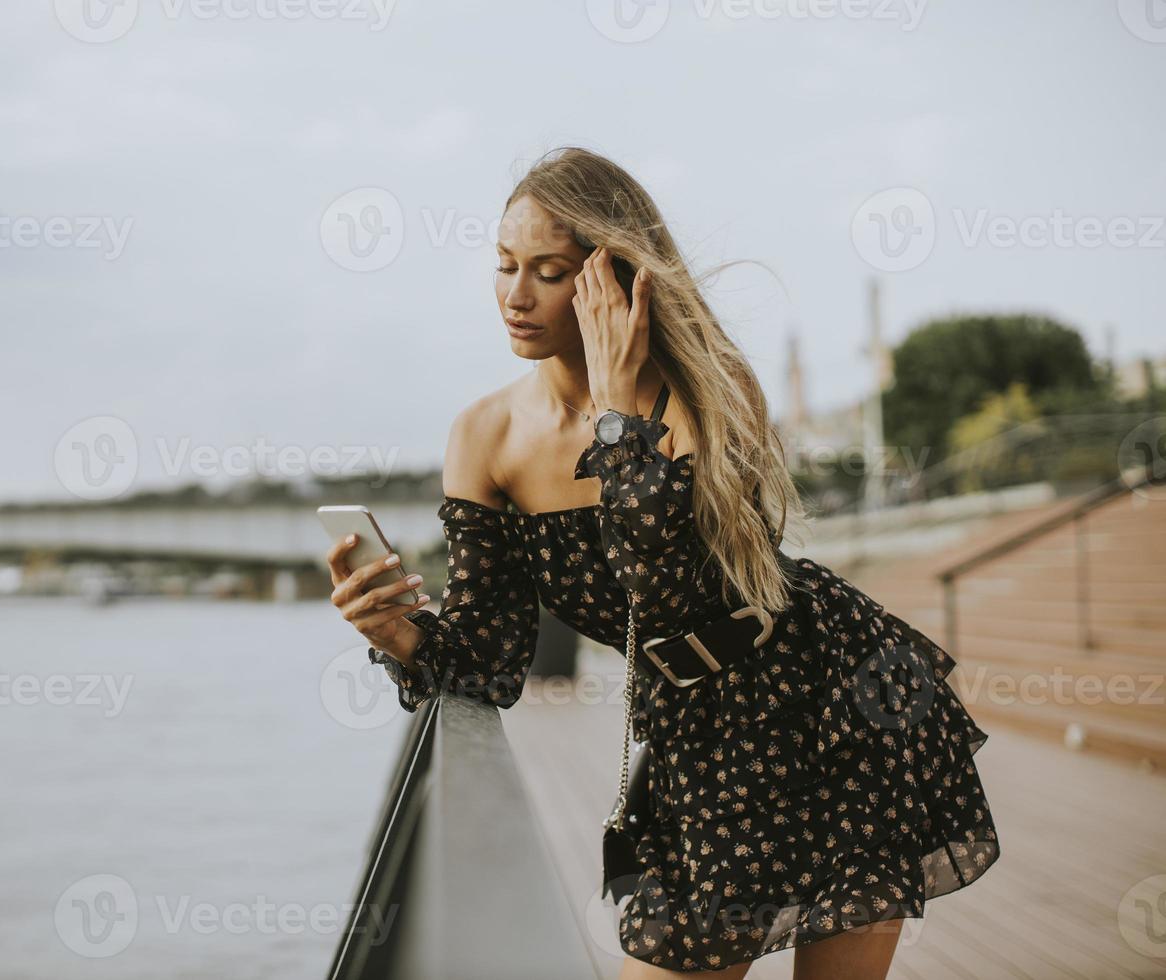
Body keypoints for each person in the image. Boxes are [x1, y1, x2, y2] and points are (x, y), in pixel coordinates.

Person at [325, 146, 1000, 978]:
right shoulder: (484, 437)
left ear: (614, 280)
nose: (515, 294)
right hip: (699, 741)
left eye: (548, 271)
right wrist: (396, 632)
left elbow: (668, 587)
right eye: (504, 265)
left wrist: (617, 414)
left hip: (834, 696)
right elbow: (493, 662)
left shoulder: (702, 394)